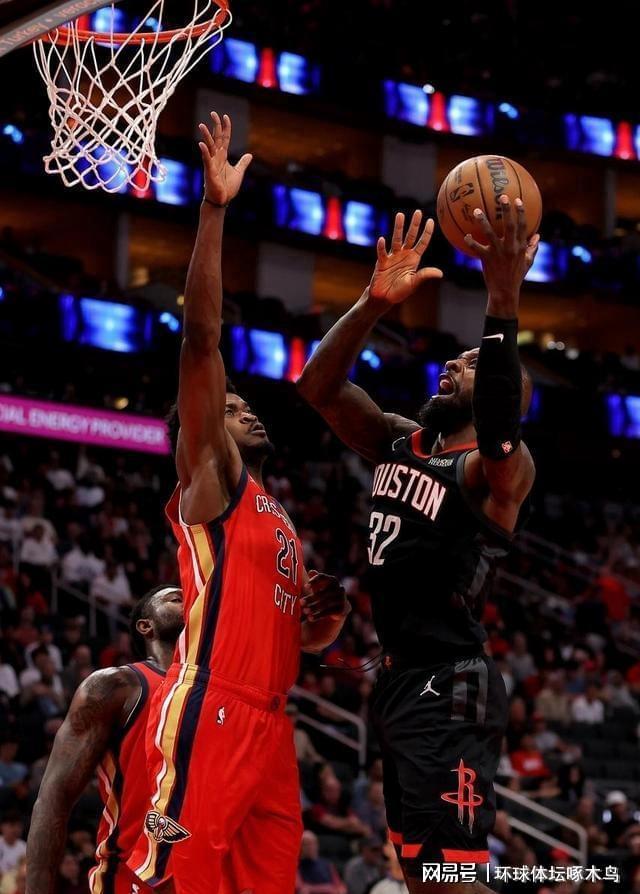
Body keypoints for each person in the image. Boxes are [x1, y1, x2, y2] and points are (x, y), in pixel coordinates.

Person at [129, 112, 351, 894]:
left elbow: (296, 634)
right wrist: (214, 209)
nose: (245, 408)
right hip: (212, 707)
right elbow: (201, 340)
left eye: (245, 403)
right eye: (229, 407)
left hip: (272, 723)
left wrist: (324, 620)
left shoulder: (275, 511)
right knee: (172, 878)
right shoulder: (210, 479)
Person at [299, 199, 538, 893]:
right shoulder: (399, 441)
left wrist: (502, 299)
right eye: (458, 357)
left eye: (475, 363)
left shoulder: (497, 470)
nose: (455, 362)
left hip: (451, 682)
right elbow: (318, 388)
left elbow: (500, 426)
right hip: (401, 681)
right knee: (420, 873)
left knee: (448, 875)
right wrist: (371, 306)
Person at [25, 585, 184, 894]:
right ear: (146, 626)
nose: (189, 601)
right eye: (176, 598)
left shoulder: (219, 699)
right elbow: (53, 799)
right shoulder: (116, 686)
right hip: (130, 879)